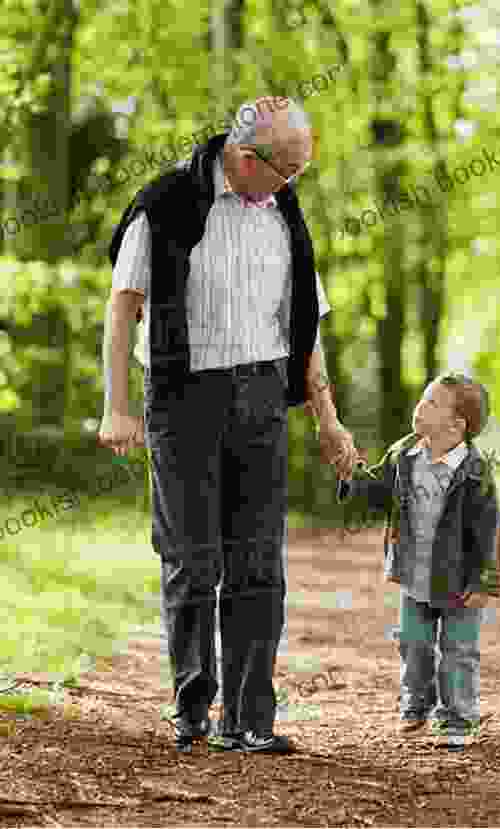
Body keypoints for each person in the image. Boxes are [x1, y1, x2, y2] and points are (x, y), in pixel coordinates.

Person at [98, 95, 359, 754]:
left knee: (259, 562)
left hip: (263, 395)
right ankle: (193, 710)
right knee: (192, 560)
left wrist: (329, 420)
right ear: (247, 158)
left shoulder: (286, 216)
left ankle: (250, 719)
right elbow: (121, 309)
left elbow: (307, 331)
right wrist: (116, 405)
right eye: (288, 170)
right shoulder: (164, 206)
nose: (295, 183)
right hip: (183, 396)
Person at [337, 373, 500, 750]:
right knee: (414, 642)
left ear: (457, 424)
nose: (419, 407)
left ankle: (458, 717)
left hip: (460, 581)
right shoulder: (404, 454)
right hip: (415, 574)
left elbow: (488, 529)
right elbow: (379, 493)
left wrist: (484, 581)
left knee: (459, 650)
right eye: (422, 399)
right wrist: (353, 476)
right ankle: (417, 701)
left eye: (431, 403)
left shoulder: (476, 471)